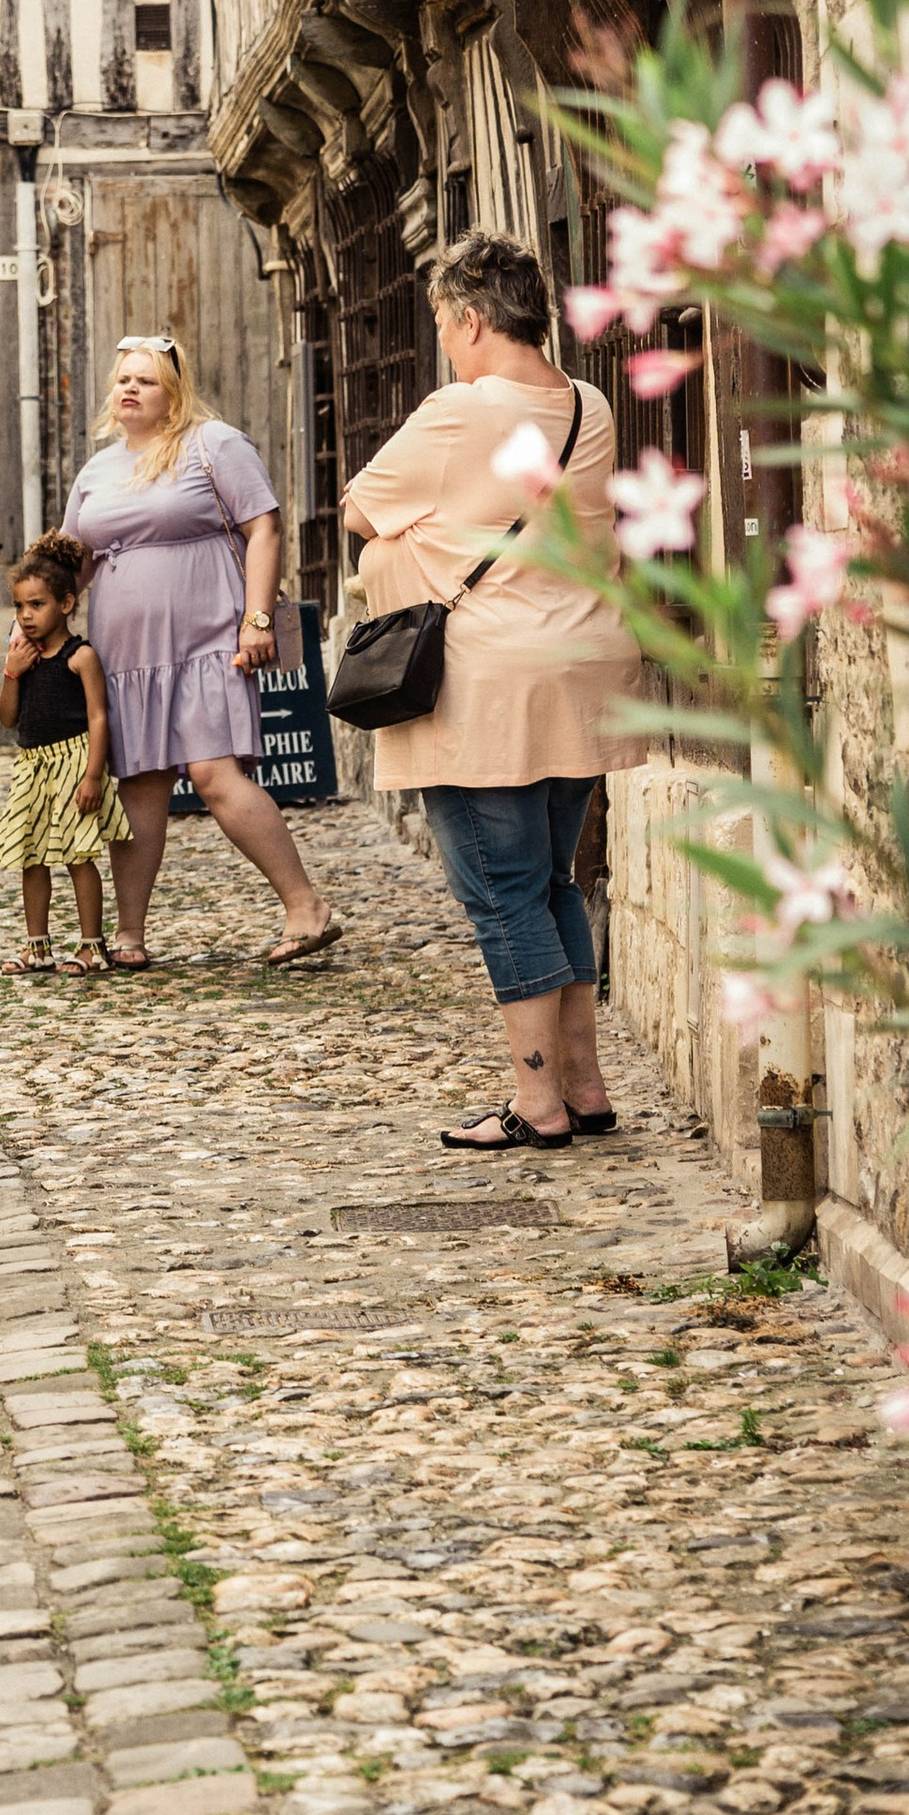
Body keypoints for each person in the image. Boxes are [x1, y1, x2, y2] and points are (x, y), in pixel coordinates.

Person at [341, 228, 638, 1151]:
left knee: (500, 893)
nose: (444, 344)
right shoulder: (588, 403)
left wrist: (400, 549)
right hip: (580, 669)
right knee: (551, 880)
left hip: (487, 686)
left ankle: (539, 1103)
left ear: (469, 319)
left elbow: (359, 507)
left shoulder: (460, 412)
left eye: (443, 324)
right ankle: (586, 1086)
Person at [62, 333, 338, 974]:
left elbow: (263, 526)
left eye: (147, 381)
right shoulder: (98, 469)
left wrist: (257, 619)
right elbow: (73, 563)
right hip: (126, 656)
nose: (130, 389)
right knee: (139, 785)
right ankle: (128, 932)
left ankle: (306, 907)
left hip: (208, 640)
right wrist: (36, 624)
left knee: (215, 776)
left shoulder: (214, 445)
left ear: (176, 391)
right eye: (123, 379)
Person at [0, 531, 126, 976]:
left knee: (78, 855)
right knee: (31, 856)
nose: (26, 616)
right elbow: (7, 719)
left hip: (73, 764)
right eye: (19, 606)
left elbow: (98, 718)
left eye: (37, 605)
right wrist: (11, 673)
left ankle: (92, 945)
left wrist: (93, 776)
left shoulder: (79, 656)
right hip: (33, 765)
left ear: (66, 604)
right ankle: (38, 945)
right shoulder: (22, 657)